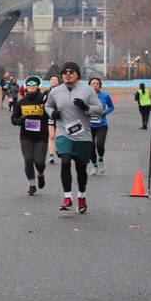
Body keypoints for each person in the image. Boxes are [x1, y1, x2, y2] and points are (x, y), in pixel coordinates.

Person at [44, 62, 102, 214]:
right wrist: (52, 113)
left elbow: (99, 109)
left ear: (78, 74)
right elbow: (47, 106)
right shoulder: (56, 91)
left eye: (71, 71)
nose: (68, 74)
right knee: (65, 161)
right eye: (65, 72)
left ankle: (81, 196)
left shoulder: (87, 90)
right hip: (63, 133)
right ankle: (67, 197)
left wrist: (86, 107)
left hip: (83, 135)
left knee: (81, 168)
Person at [10, 76, 49, 195]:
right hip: (26, 136)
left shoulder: (44, 100)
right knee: (28, 160)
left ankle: (40, 174)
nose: (31, 86)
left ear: (38, 86)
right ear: (25, 86)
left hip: (41, 135)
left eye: (34, 84)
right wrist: (19, 121)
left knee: (39, 162)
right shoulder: (22, 102)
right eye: (29, 84)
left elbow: (52, 113)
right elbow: (13, 118)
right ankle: (32, 185)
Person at [88, 77, 114, 175]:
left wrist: (105, 112)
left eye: (97, 84)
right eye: (93, 84)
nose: (95, 86)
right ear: (89, 85)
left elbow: (111, 107)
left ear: (100, 86)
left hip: (101, 125)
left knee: (99, 144)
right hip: (89, 125)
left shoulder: (105, 96)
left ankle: (101, 159)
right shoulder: (86, 96)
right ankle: (94, 166)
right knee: (91, 147)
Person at [45, 74, 60, 163]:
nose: (53, 81)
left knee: (59, 136)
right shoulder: (45, 93)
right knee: (51, 136)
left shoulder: (62, 92)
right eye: (52, 80)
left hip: (61, 117)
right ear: (49, 82)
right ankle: (51, 155)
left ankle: (60, 149)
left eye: (55, 80)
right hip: (50, 116)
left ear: (58, 82)